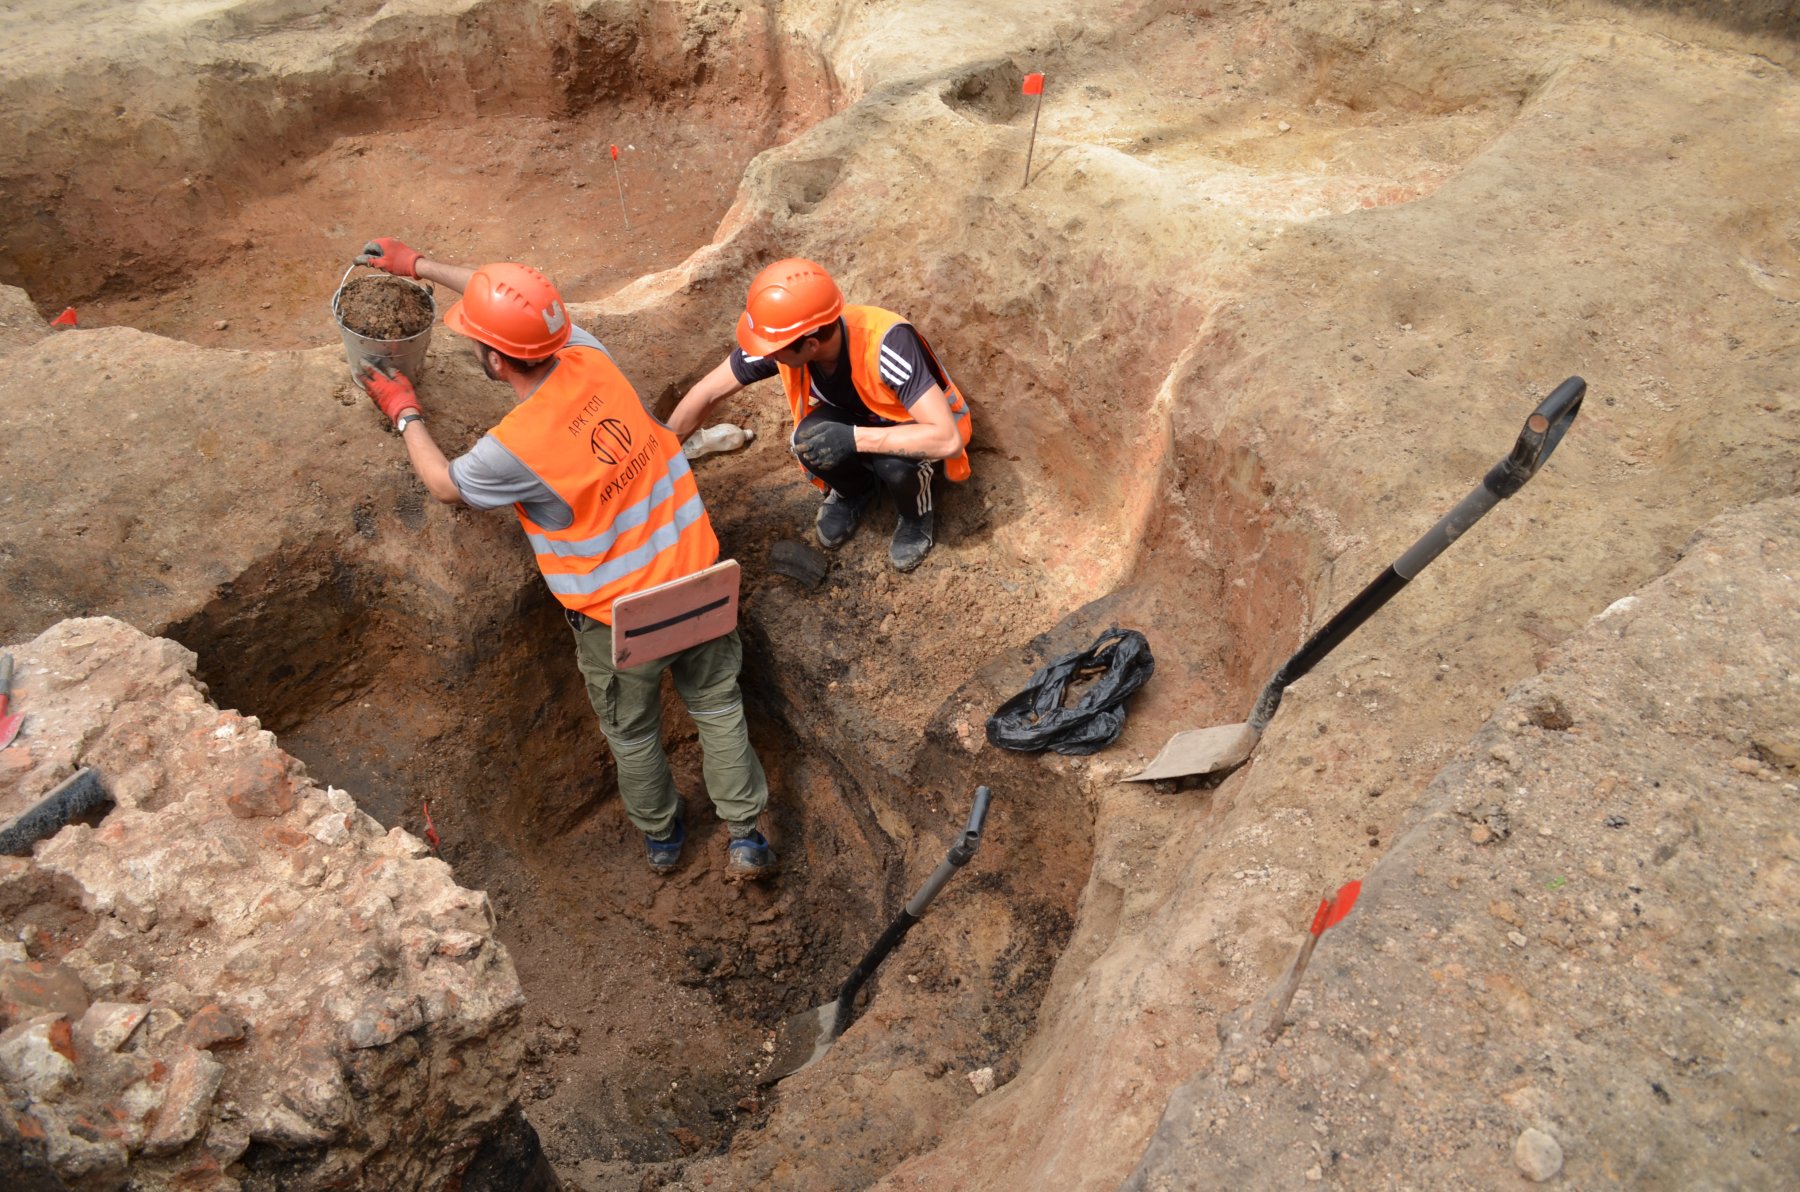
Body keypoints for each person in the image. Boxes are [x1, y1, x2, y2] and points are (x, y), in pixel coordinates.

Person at [353, 236, 774, 879]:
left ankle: (663, 839)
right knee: (717, 707)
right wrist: (421, 267)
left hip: (621, 621)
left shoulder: (513, 447)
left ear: (494, 361)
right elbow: (525, 309)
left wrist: (404, 411)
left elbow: (444, 485)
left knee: (633, 734)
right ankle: (746, 836)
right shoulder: (587, 355)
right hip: (703, 581)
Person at [666, 258, 974, 572]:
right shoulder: (788, 339)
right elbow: (707, 393)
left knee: (895, 465)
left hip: (915, 430)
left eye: (774, 351)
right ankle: (856, 490)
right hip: (860, 418)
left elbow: (945, 438)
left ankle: (915, 515)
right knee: (808, 439)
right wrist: (663, 455)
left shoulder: (886, 345)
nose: (767, 356)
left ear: (810, 345)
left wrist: (854, 439)